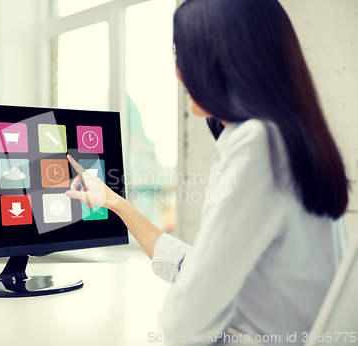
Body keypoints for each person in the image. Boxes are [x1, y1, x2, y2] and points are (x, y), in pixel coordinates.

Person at [65, 0, 350, 344]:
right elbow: (201, 268)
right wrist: (115, 202)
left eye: (182, 53)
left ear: (217, 56)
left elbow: (185, 324)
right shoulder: (292, 136)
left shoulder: (257, 145)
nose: (177, 71)